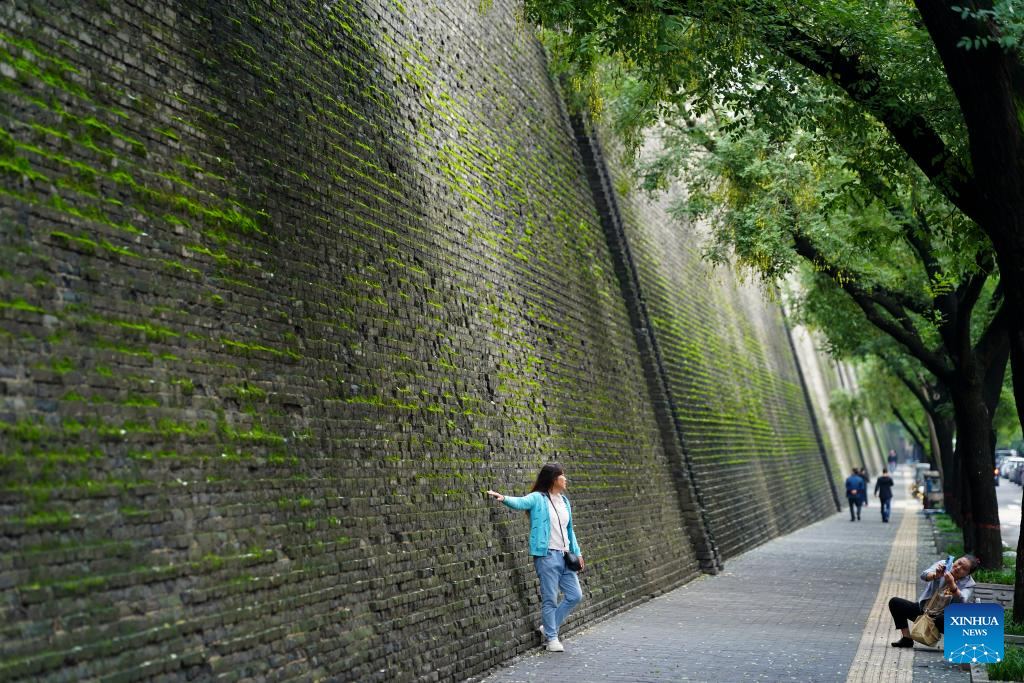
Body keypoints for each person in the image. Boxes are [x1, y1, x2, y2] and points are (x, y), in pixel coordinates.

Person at [487, 463, 584, 653]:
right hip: (547, 556)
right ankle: (552, 638)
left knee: (575, 595)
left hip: (565, 556)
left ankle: (548, 627)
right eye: (562, 476)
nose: (565, 479)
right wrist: (503, 498)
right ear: (554, 479)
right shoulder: (538, 498)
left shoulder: (564, 501)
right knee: (550, 599)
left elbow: (569, 530)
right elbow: (521, 502)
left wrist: (577, 552)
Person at [889, 555, 980, 647]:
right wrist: (936, 575)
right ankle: (907, 639)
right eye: (959, 563)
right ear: (956, 560)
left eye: (964, 568)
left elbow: (962, 600)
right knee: (895, 603)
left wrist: (952, 584)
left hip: (945, 618)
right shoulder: (944, 565)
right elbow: (924, 575)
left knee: (942, 620)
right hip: (926, 610)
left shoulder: (969, 584)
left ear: (968, 574)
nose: (958, 568)